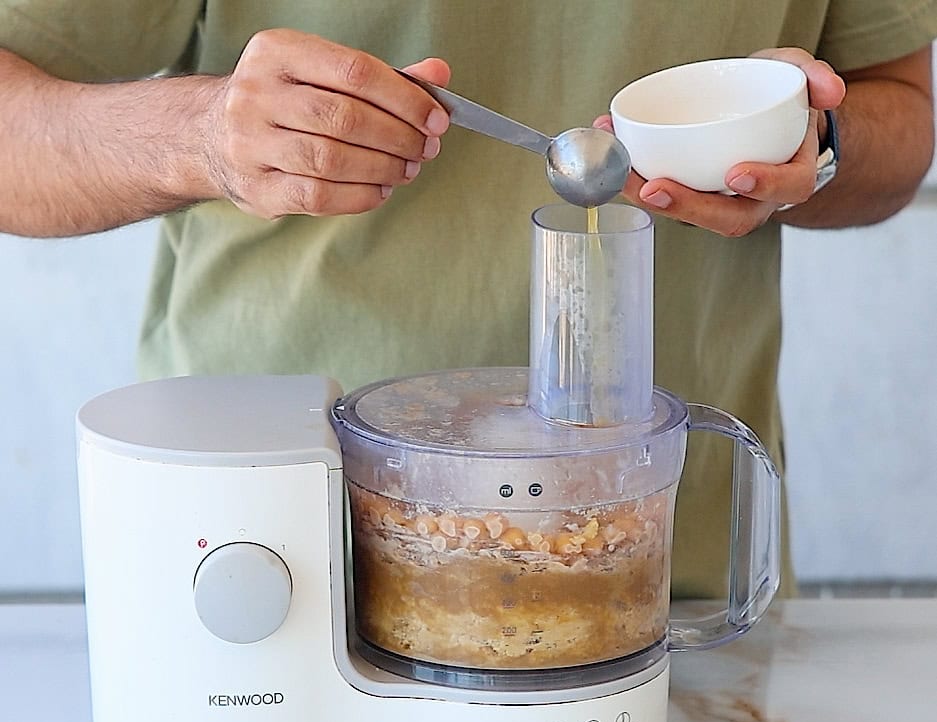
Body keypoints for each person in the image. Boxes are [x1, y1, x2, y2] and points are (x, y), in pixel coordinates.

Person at [0, 2, 934, 599]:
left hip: (669, 578)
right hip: (273, 566)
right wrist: (201, 134)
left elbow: (899, 111)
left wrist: (815, 144)